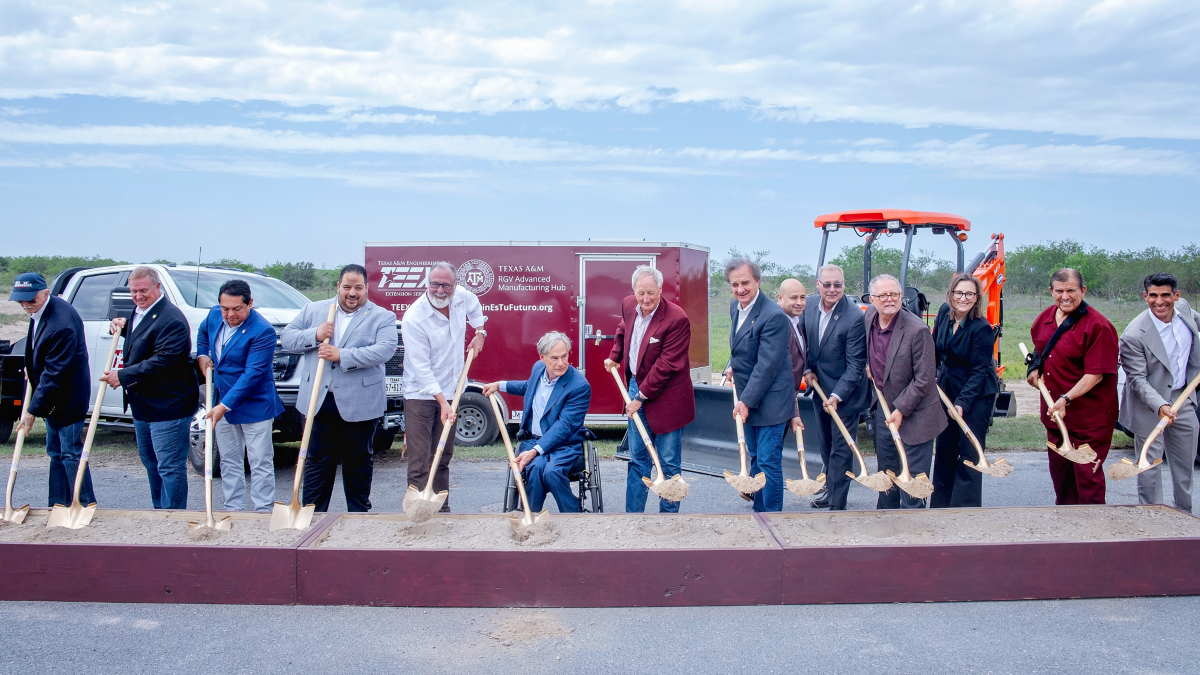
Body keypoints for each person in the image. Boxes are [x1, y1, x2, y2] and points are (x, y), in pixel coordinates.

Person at [281, 264, 397, 512]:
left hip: (361, 401)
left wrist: (342, 355)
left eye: (358, 288)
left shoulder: (382, 316)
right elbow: (288, 338)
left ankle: (358, 516)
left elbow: (384, 350)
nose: (352, 293)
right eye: (347, 287)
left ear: (366, 288)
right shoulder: (314, 310)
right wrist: (315, 333)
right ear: (338, 287)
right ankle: (312, 514)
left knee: (359, 461)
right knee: (316, 461)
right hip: (318, 400)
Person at [103, 267, 197, 510]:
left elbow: (164, 360)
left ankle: (173, 516)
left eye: (144, 290)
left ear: (158, 288)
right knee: (151, 462)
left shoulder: (171, 318)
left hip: (169, 406)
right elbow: (140, 337)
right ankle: (159, 513)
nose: (138, 296)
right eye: (134, 291)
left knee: (169, 465)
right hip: (143, 405)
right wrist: (119, 327)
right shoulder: (137, 312)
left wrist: (123, 375)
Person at [604, 265, 695, 513]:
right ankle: (634, 518)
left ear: (661, 290)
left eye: (651, 293)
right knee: (638, 459)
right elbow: (623, 329)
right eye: (641, 293)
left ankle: (667, 518)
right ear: (634, 291)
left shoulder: (677, 319)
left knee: (667, 462)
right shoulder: (628, 305)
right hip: (637, 384)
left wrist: (640, 397)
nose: (646, 299)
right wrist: (615, 355)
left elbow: (666, 365)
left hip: (668, 395)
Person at [1027, 268, 1119, 505]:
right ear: (1051, 292)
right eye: (1059, 291)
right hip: (1055, 417)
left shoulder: (1099, 326)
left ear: (1083, 291)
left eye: (1071, 291)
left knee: (1087, 480)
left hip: (1090, 419)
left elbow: (1095, 375)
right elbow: (1040, 352)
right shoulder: (1044, 319)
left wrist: (1066, 399)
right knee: (1062, 481)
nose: (1065, 296)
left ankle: (1091, 538)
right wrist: (1033, 369)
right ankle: (1067, 535)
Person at [401, 261, 487, 513]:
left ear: (455, 285)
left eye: (446, 285)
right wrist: (442, 403)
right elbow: (421, 367)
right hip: (421, 394)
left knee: (443, 455)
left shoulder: (462, 297)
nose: (440, 290)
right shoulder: (414, 318)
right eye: (435, 284)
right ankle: (417, 512)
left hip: (453, 389)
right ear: (427, 284)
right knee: (421, 457)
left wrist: (480, 332)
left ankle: (442, 510)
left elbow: (476, 308)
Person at [196, 279, 285, 512]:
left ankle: (263, 510)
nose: (230, 314)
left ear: (250, 304)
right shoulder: (215, 314)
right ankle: (232, 509)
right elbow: (203, 332)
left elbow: (252, 374)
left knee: (260, 461)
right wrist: (202, 354)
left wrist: (224, 406)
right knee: (229, 459)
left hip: (255, 404)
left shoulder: (263, 331)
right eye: (225, 308)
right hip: (221, 400)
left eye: (237, 309)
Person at [11, 273, 95, 507]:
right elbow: (38, 349)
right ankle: (57, 505)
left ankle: (85, 504)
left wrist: (31, 411)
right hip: (52, 396)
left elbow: (55, 373)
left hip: (67, 397)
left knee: (69, 453)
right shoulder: (40, 311)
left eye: (31, 299)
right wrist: (33, 368)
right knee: (56, 453)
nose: (26, 304)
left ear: (46, 293)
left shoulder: (61, 323)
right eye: (21, 300)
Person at [1118, 273, 1200, 512]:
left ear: (1177, 295)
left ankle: (1184, 519)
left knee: (1185, 470)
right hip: (1149, 405)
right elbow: (1137, 380)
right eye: (1153, 295)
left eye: (1166, 295)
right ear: (1145, 296)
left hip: (1182, 398)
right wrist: (1160, 406)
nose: (1159, 301)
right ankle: (1152, 523)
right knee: (1149, 471)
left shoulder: (1184, 310)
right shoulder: (1133, 334)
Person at [864, 274, 947, 509]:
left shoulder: (917, 330)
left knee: (912, 484)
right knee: (887, 475)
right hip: (884, 408)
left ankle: (914, 536)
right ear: (872, 299)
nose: (889, 299)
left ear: (901, 296)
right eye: (883, 295)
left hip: (916, 414)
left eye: (894, 294)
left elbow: (924, 380)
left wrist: (900, 409)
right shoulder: (869, 316)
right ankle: (886, 526)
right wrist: (869, 365)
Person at [483, 332, 591, 512]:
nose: (561, 363)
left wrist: (534, 451)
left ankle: (573, 515)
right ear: (543, 358)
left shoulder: (579, 386)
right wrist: (500, 385)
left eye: (564, 356)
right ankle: (531, 517)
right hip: (534, 440)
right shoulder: (537, 369)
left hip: (564, 445)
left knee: (552, 472)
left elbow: (564, 427)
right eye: (554, 358)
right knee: (535, 470)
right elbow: (529, 386)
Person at [724, 257, 794, 513]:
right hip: (750, 398)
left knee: (768, 462)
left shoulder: (774, 316)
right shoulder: (736, 306)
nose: (740, 289)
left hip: (771, 402)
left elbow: (767, 366)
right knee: (755, 459)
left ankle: (772, 518)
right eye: (735, 284)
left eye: (745, 282)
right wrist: (733, 365)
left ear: (757, 281)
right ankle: (759, 512)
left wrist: (745, 401)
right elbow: (741, 346)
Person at [802, 264, 869, 510]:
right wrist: (806, 369)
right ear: (817, 284)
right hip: (819, 388)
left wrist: (837, 395)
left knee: (841, 448)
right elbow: (804, 343)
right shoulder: (809, 306)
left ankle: (837, 502)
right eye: (827, 284)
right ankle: (829, 492)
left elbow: (855, 366)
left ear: (843, 286)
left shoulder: (853, 317)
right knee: (826, 444)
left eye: (837, 285)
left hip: (845, 395)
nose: (832, 289)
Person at [931, 273, 1000, 508]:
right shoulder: (943, 313)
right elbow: (935, 350)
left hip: (976, 394)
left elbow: (980, 372)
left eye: (969, 293)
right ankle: (940, 507)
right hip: (948, 388)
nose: (963, 298)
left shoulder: (981, 328)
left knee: (969, 451)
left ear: (977, 297)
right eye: (959, 292)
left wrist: (962, 403)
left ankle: (965, 510)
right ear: (950, 294)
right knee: (945, 448)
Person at [776, 278, 808, 445]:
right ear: (780, 297)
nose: (799, 302)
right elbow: (783, 374)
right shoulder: (779, 324)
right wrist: (794, 412)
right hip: (776, 405)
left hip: (786, 401)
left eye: (802, 297)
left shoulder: (795, 321)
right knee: (769, 459)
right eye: (793, 297)